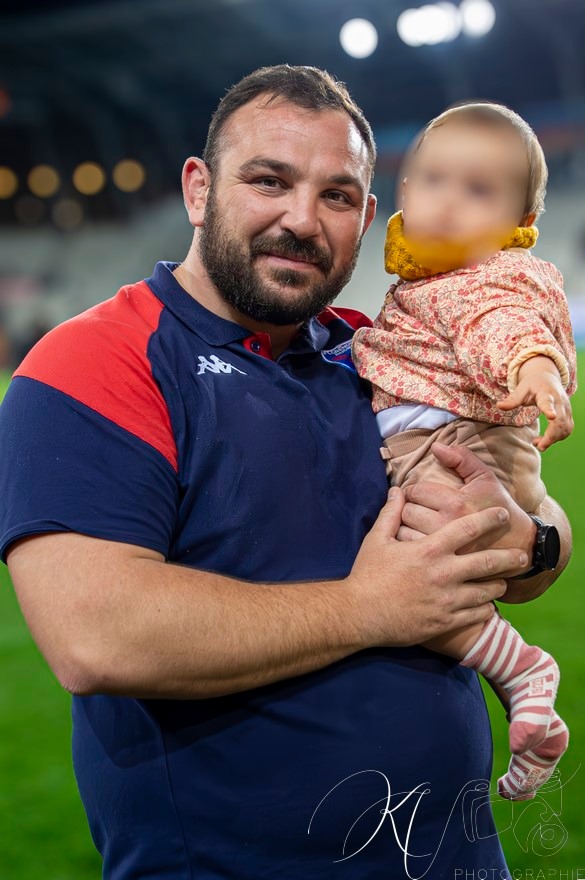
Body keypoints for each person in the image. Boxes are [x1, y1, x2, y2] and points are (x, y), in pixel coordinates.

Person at [0, 66, 571, 879]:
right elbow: (96, 635)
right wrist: (366, 608)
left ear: (370, 217)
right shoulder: (96, 358)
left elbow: (537, 536)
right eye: (268, 180)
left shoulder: (380, 354)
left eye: (337, 196)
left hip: (457, 855)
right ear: (198, 190)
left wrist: (531, 539)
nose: (301, 219)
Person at [352, 101, 577, 802]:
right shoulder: (428, 282)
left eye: (477, 191)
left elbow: (502, 327)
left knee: (417, 581)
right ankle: (523, 690)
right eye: (431, 180)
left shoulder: (489, 278)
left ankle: (523, 672)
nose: (448, 202)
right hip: (443, 436)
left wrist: (532, 368)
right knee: (423, 581)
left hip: (455, 445)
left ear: (518, 224)